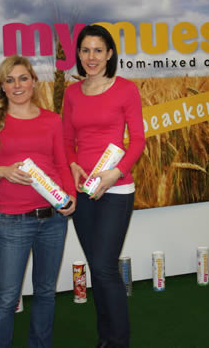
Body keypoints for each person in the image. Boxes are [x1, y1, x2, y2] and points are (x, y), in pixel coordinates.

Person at [0, 55, 76, 348]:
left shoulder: (52, 120)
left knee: (46, 292)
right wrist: (2, 171)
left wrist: (70, 196)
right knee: (6, 297)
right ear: (2, 86)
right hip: (14, 222)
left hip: (54, 220)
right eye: (10, 80)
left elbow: (62, 165)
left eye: (23, 78)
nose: (17, 85)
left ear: (34, 82)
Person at [62, 24, 145, 348]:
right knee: (98, 269)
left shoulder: (126, 89)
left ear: (110, 54)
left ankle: (118, 341)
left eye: (98, 50)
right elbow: (67, 140)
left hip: (116, 189)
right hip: (83, 191)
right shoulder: (71, 93)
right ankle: (105, 338)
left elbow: (137, 141)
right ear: (78, 54)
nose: (91, 57)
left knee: (105, 267)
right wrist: (73, 165)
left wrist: (116, 174)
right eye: (85, 50)